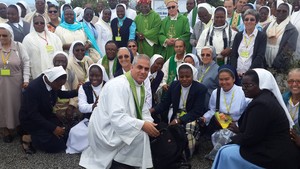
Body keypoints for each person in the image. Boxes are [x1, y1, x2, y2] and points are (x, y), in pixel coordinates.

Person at [79, 55, 160, 169]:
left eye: (146, 69)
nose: (143, 72)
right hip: (105, 129)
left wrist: (149, 123)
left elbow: (143, 110)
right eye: (139, 67)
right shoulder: (118, 85)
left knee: (146, 130)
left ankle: (126, 161)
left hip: (119, 123)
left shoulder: (140, 85)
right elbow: (116, 117)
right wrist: (142, 124)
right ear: (132, 67)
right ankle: (121, 163)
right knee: (141, 135)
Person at [212, 69, 299, 169]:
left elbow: (250, 138)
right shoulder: (266, 98)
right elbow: (257, 130)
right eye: (243, 85)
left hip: (272, 154)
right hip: (273, 146)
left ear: (261, 85)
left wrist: (233, 138)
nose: (244, 88)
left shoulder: (261, 105)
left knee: (225, 152)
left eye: (249, 85)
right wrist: (239, 131)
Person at [151, 63, 207, 157]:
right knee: (172, 131)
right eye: (181, 77)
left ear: (192, 76)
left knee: (188, 128)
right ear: (178, 77)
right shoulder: (174, 85)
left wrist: (179, 120)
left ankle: (185, 155)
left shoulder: (200, 88)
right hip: (176, 113)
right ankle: (173, 150)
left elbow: (197, 111)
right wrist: (153, 110)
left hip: (191, 115)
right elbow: (165, 103)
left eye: (187, 76)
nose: (184, 79)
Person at [19, 66, 77, 154]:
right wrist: (53, 128)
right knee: (55, 146)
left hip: (45, 115)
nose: (60, 87)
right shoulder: (33, 88)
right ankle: (28, 138)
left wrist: (77, 91)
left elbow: (61, 94)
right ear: (51, 80)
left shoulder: (53, 84)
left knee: (64, 135)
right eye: (59, 85)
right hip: (31, 120)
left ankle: (41, 136)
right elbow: (33, 114)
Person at [66, 64, 106, 154]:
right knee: (74, 132)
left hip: (105, 120)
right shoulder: (84, 87)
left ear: (102, 75)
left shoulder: (108, 86)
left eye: (97, 76)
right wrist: (93, 106)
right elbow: (82, 107)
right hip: (89, 119)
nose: (94, 78)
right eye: (91, 75)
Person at [0, 23, 30, 143]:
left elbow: (26, 63)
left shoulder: (18, 46)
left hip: (16, 82)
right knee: (3, 105)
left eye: (4, 35)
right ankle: (6, 129)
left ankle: (18, 126)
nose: (2, 38)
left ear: (10, 35)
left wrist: (26, 80)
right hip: (1, 82)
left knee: (17, 105)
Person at [200, 64, 246, 136]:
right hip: (219, 127)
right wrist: (204, 118)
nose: (224, 82)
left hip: (236, 128)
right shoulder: (216, 92)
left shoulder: (242, 92)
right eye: (221, 79)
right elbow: (212, 111)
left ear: (233, 79)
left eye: (227, 79)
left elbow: (245, 115)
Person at [22, 14, 62, 79]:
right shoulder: (27, 39)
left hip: (55, 73)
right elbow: (26, 60)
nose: (39, 24)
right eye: (36, 23)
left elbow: (60, 53)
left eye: (42, 23)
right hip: (37, 73)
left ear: (45, 24)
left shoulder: (54, 37)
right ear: (33, 25)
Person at [230, 9, 267, 77]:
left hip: (253, 74)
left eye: (252, 19)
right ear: (243, 21)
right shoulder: (238, 35)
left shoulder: (261, 36)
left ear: (256, 22)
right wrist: (234, 70)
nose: (249, 22)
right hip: (237, 73)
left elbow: (260, 56)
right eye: (246, 19)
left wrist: (249, 73)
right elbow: (234, 55)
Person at [263, 2, 298, 72]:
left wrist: (276, 65)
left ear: (288, 13)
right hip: (264, 65)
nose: (281, 13)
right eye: (278, 10)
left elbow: (289, 50)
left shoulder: (292, 30)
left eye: (284, 11)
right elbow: (261, 43)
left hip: (279, 68)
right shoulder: (268, 26)